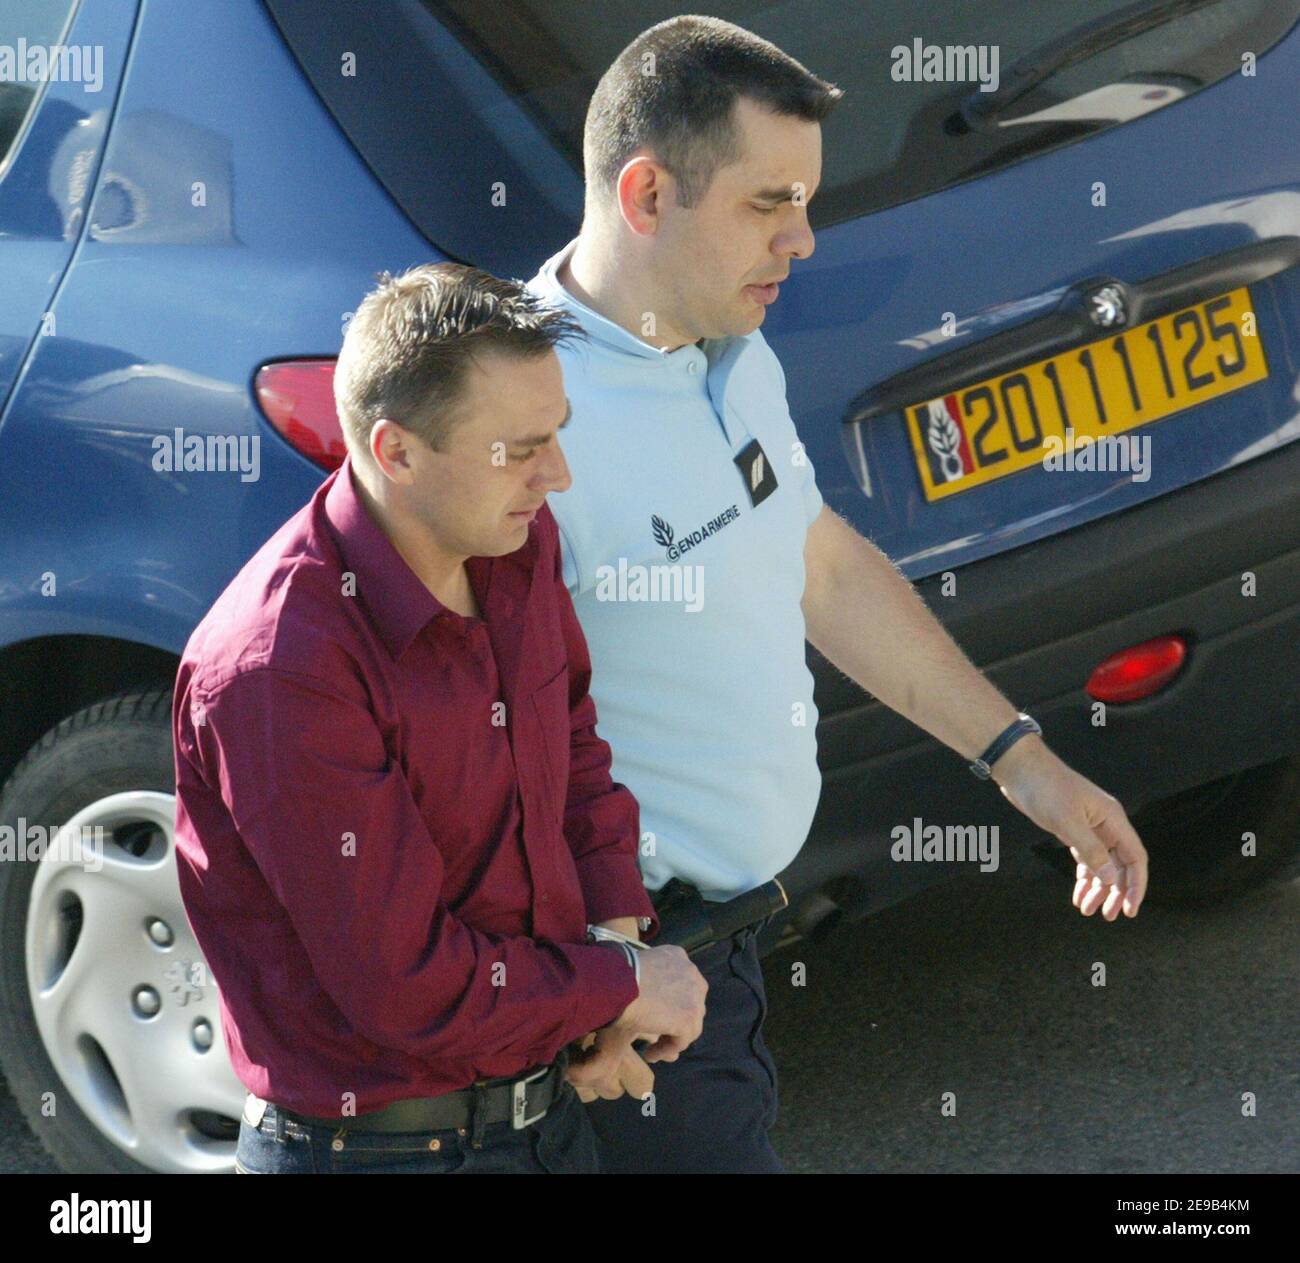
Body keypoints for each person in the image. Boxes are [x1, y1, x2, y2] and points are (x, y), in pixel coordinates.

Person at [529, 16, 1150, 1174]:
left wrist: (1024, 762)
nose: (804, 240)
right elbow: (464, 743)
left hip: (717, 951)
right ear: (647, 193)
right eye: (770, 204)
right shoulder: (526, 424)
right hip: (625, 986)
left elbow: (813, 564)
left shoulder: (724, 347)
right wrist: (598, 969)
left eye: (806, 201)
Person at [172, 262, 707, 1174]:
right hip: (379, 1156)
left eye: (559, 434)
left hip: (552, 1120)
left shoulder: (513, 537)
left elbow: (574, 756)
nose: (559, 474)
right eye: (522, 446)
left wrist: (611, 960)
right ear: (396, 451)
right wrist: (617, 985)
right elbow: (405, 982)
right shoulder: (279, 672)